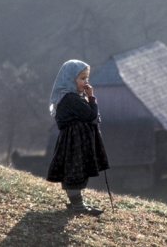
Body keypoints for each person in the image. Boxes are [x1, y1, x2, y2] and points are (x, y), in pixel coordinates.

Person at [47, 59, 110, 216]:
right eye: (82, 79)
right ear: (69, 79)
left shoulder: (71, 97)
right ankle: (78, 205)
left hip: (77, 138)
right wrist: (91, 97)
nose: (85, 82)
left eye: (86, 78)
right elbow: (91, 114)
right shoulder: (71, 99)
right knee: (76, 170)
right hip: (76, 140)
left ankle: (77, 202)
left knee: (78, 169)